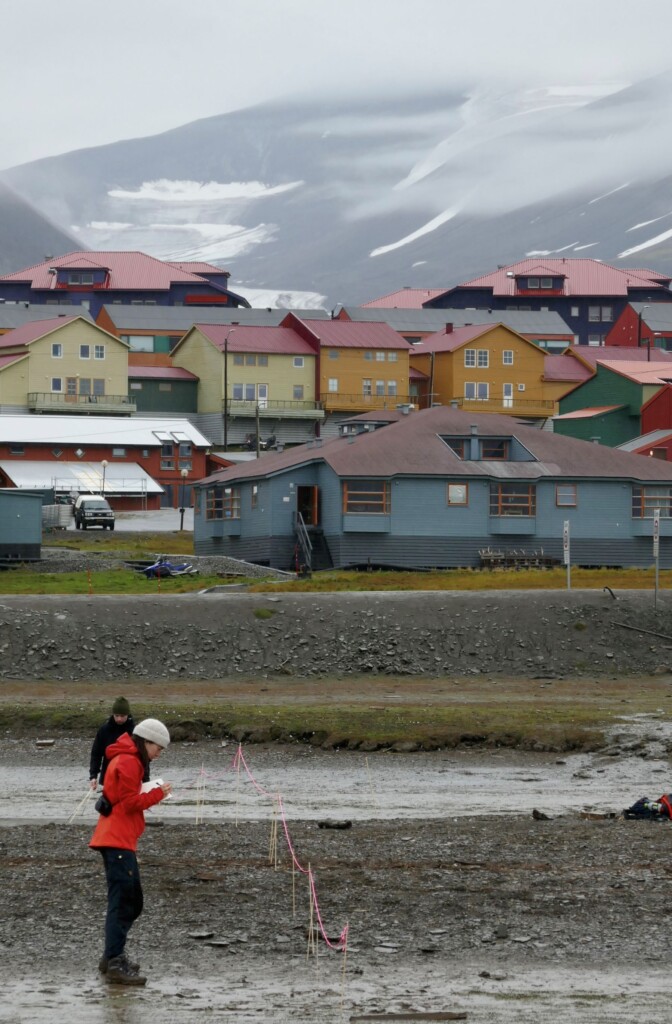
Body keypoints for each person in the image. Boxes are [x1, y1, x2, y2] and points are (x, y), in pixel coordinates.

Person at [89, 718, 172, 986]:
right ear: (145, 741)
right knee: (124, 902)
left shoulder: (129, 759)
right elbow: (128, 804)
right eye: (158, 747)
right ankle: (114, 961)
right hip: (116, 840)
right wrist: (158, 794)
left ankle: (111, 956)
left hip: (119, 839)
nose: (159, 753)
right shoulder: (128, 761)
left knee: (132, 902)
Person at [89, 697, 137, 791]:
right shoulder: (104, 730)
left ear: (127, 715)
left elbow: (143, 757)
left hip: (130, 779)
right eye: (116, 715)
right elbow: (96, 754)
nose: (119, 719)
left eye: (122, 716)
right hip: (108, 777)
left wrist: (145, 780)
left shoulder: (135, 732)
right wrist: (93, 776)